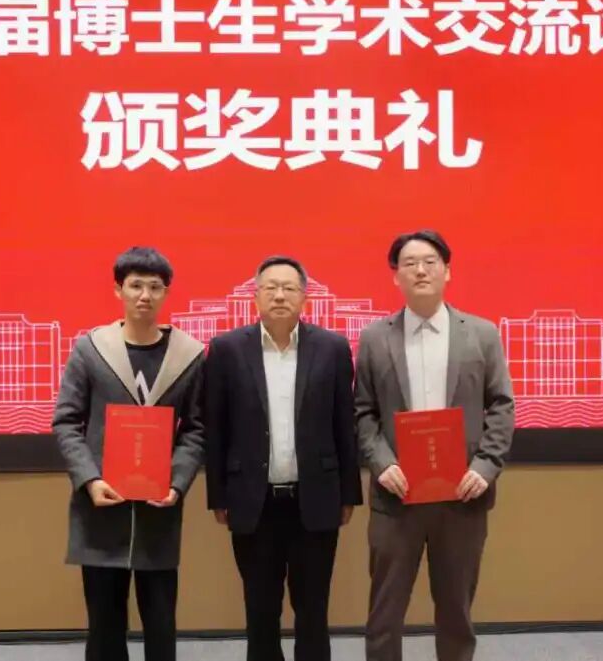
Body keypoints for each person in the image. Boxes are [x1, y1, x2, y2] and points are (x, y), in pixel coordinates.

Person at [356, 230, 515, 661]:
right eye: (409, 263)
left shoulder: (481, 334)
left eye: (430, 262)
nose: (420, 270)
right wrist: (382, 464)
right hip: (397, 496)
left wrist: (484, 467)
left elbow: (501, 405)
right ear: (396, 276)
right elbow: (363, 413)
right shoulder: (374, 338)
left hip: (462, 495)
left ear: (447, 271)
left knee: (456, 611)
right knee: (384, 614)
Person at [203, 255, 363, 661]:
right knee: (260, 610)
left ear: (304, 297)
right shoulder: (226, 350)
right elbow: (215, 428)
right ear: (255, 296)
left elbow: (345, 424)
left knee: (313, 610)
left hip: (316, 498)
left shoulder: (332, 348)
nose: (279, 295)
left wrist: (349, 493)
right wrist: (217, 495)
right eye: (270, 287)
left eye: (289, 288)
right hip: (252, 501)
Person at [52, 246, 205, 661]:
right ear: (118, 289)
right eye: (136, 285)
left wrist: (177, 483)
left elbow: (197, 429)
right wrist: (90, 479)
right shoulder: (90, 349)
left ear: (166, 292)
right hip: (102, 509)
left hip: (159, 511)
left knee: (161, 625)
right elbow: (66, 421)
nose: (145, 296)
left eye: (155, 287)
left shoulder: (189, 355)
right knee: (104, 627)